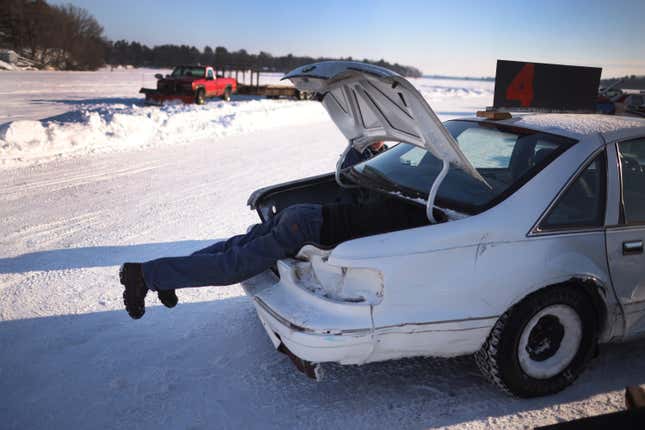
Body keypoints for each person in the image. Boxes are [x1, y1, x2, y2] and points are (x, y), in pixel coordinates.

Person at [119, 141, 427, 319]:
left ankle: (164, 277)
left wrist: (374, 150)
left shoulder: (393, 178)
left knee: (233, 249)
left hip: (302, 217)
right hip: (304, 228)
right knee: (232, 266)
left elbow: (350, 168)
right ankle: (145, 276)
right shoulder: (415, 205)